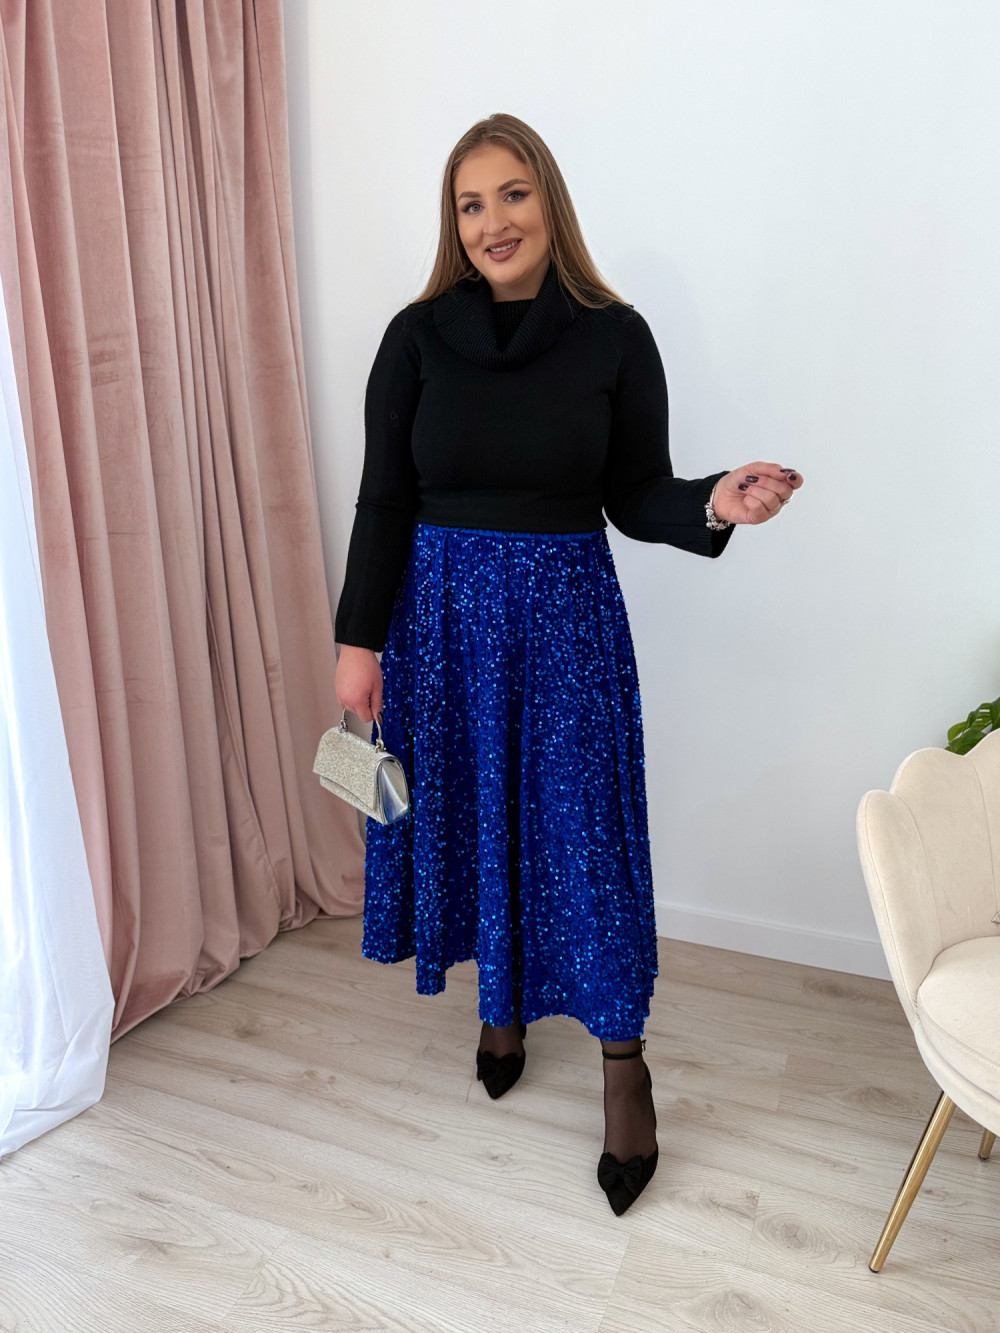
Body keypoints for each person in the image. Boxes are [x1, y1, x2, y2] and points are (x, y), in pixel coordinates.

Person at [333, 112, 803, 1215]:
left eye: (512, 193)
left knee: (582, 837)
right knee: (476, 816)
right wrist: (358, 644)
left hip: (565, 625)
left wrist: (711, 501)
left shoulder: (614, 336)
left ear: (548, 199)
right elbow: (384, 497)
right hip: (441, 624)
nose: (491, 221)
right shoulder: (414, 338)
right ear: (452, 222)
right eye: (470, 203)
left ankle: (623, 1067)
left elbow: (635, 492)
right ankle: (499, 1007)